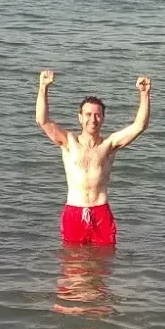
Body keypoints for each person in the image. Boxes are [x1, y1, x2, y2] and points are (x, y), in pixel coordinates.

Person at [35, 71, 152, 246]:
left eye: (97, 115)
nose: (93, 119)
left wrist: (144, 94)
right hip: (74, 211)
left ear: (103, 118)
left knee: (103, 264)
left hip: (101, 212)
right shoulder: (69, 142)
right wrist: (43, 87)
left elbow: (140, 125)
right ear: (80, 117)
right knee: (72, 265)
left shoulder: (109, 145)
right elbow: (43, 120)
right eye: (88, 114)